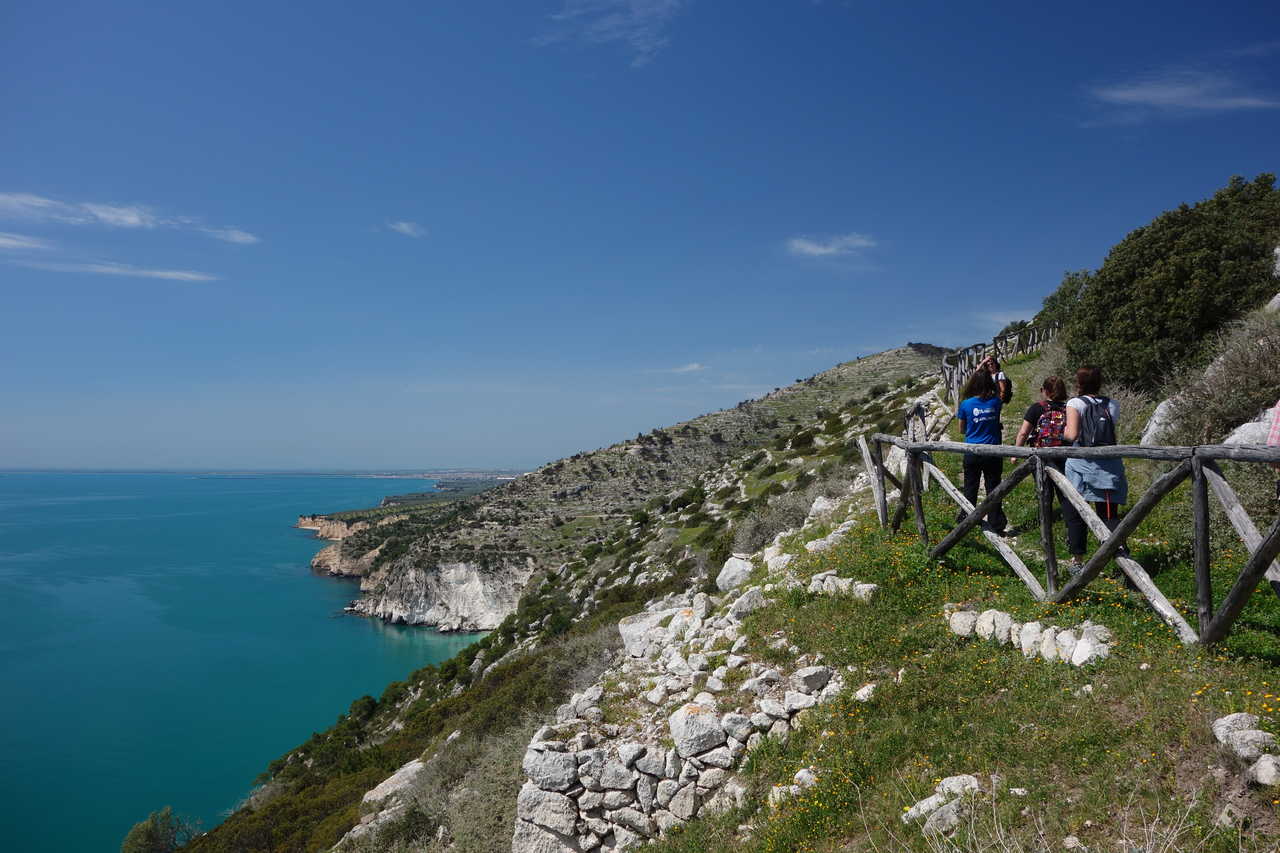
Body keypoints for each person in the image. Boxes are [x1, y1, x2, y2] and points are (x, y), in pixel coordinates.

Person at [1062, 365, 1128, 572]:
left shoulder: (1074, 403)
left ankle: (1078, 560)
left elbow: (1072, 435)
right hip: (1108, 465)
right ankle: (1119, 561)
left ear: (1078, 383)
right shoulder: (1112, 404)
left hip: (1081, 464)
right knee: (1108, 514)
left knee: (1077, 511)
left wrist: (1062, 431)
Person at [956, 369, 1008, 534]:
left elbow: (961, 430)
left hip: (972, 451)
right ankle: (996, 522)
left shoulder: (965, 404)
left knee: (970, 487)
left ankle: (967, 519)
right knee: (993, 487)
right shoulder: (996, 403)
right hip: (992, 451)